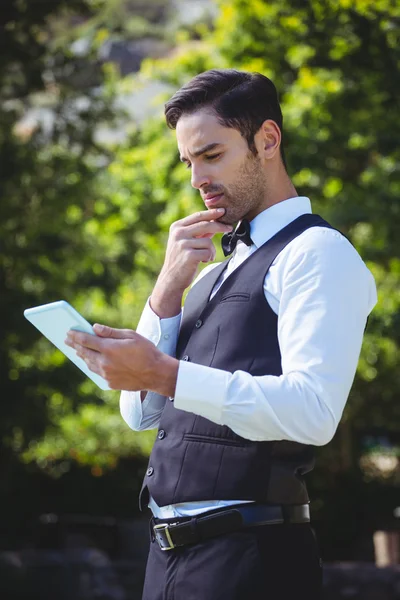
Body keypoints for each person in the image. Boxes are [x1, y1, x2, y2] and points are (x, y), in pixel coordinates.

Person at [66, 69, 378, 599]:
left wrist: (163, 372)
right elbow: (139, 413)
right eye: (188, 162)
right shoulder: (210, 274)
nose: (196, 179)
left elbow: (314, 412)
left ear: (268, 140)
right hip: (168, 560)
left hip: (252, 558)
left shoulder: (317, 252)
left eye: (212, 155)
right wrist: (166, 291)